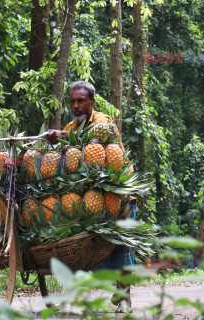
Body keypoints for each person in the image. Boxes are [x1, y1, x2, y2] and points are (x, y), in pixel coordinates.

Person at [46, 81, 134, 312]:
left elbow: (95, 137)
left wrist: (62, 135)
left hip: (115, 189)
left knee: (119, 243)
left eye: (81, 101)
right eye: (72, 101)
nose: (76, 106)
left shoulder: (103, 121)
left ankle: (124, 297)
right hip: (88, 192)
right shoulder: (71, 126)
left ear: (92, 103)